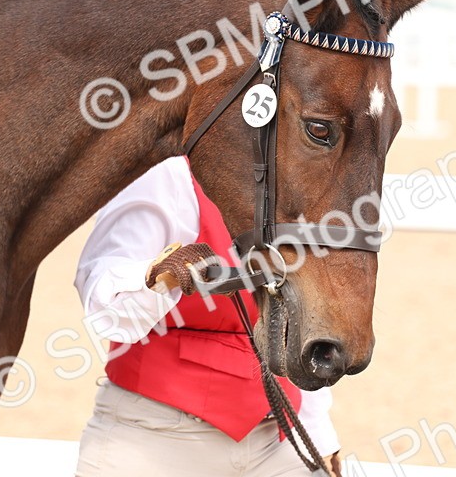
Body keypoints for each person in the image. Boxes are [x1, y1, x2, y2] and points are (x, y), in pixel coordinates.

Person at [74, 156, 342, 476]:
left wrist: (318, 433)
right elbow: (104, 306)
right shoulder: (164, 173)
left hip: (277, 438)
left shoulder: (290, 175)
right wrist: (155, 278)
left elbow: (297, 325)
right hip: (156, 436)